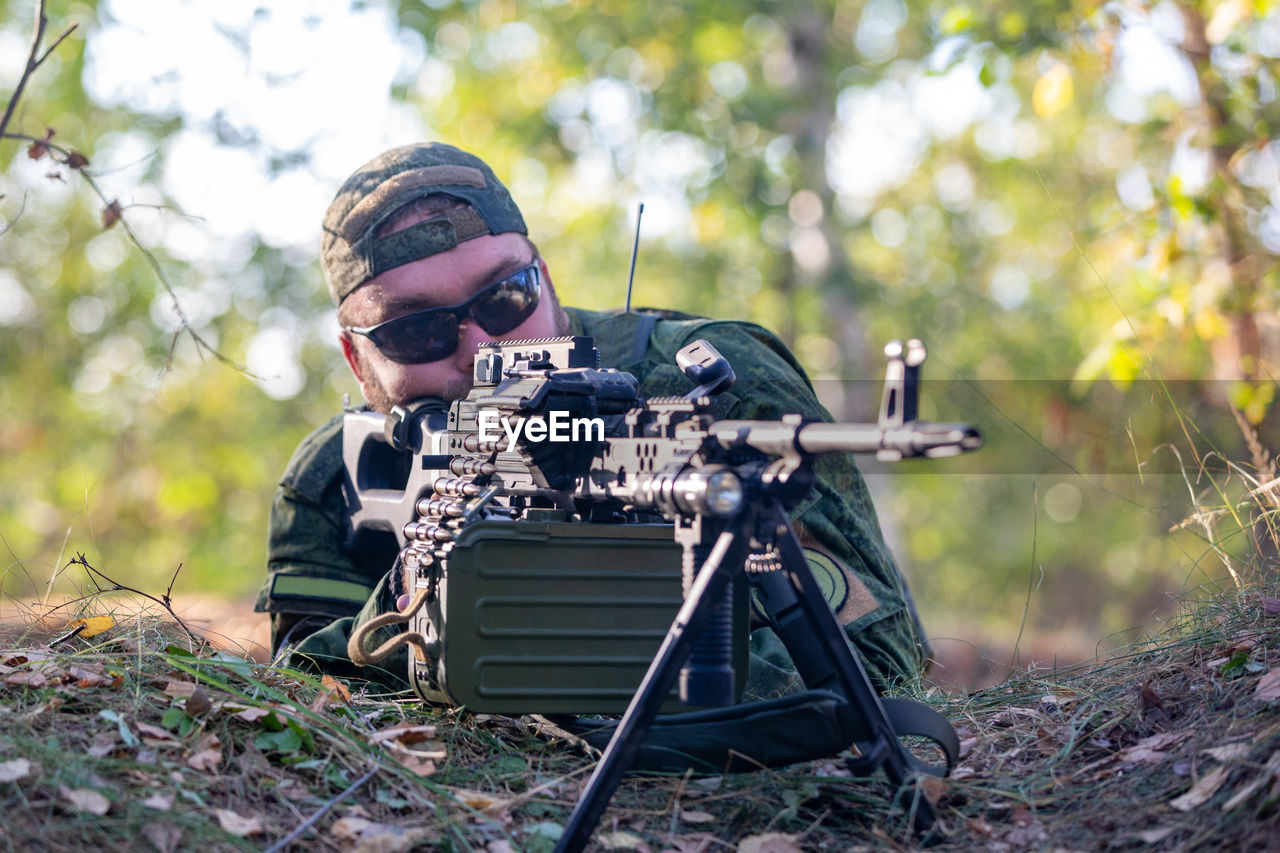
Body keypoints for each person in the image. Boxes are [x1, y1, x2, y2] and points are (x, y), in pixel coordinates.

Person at [254, 142, 925, 698]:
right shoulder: (336, 475)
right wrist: (417, 594)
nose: (483, 349)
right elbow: (303, 704)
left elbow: (884, 651)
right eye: (418, 330)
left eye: (506, 296)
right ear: (356, 355)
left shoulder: (715, 380)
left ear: (544, 277)